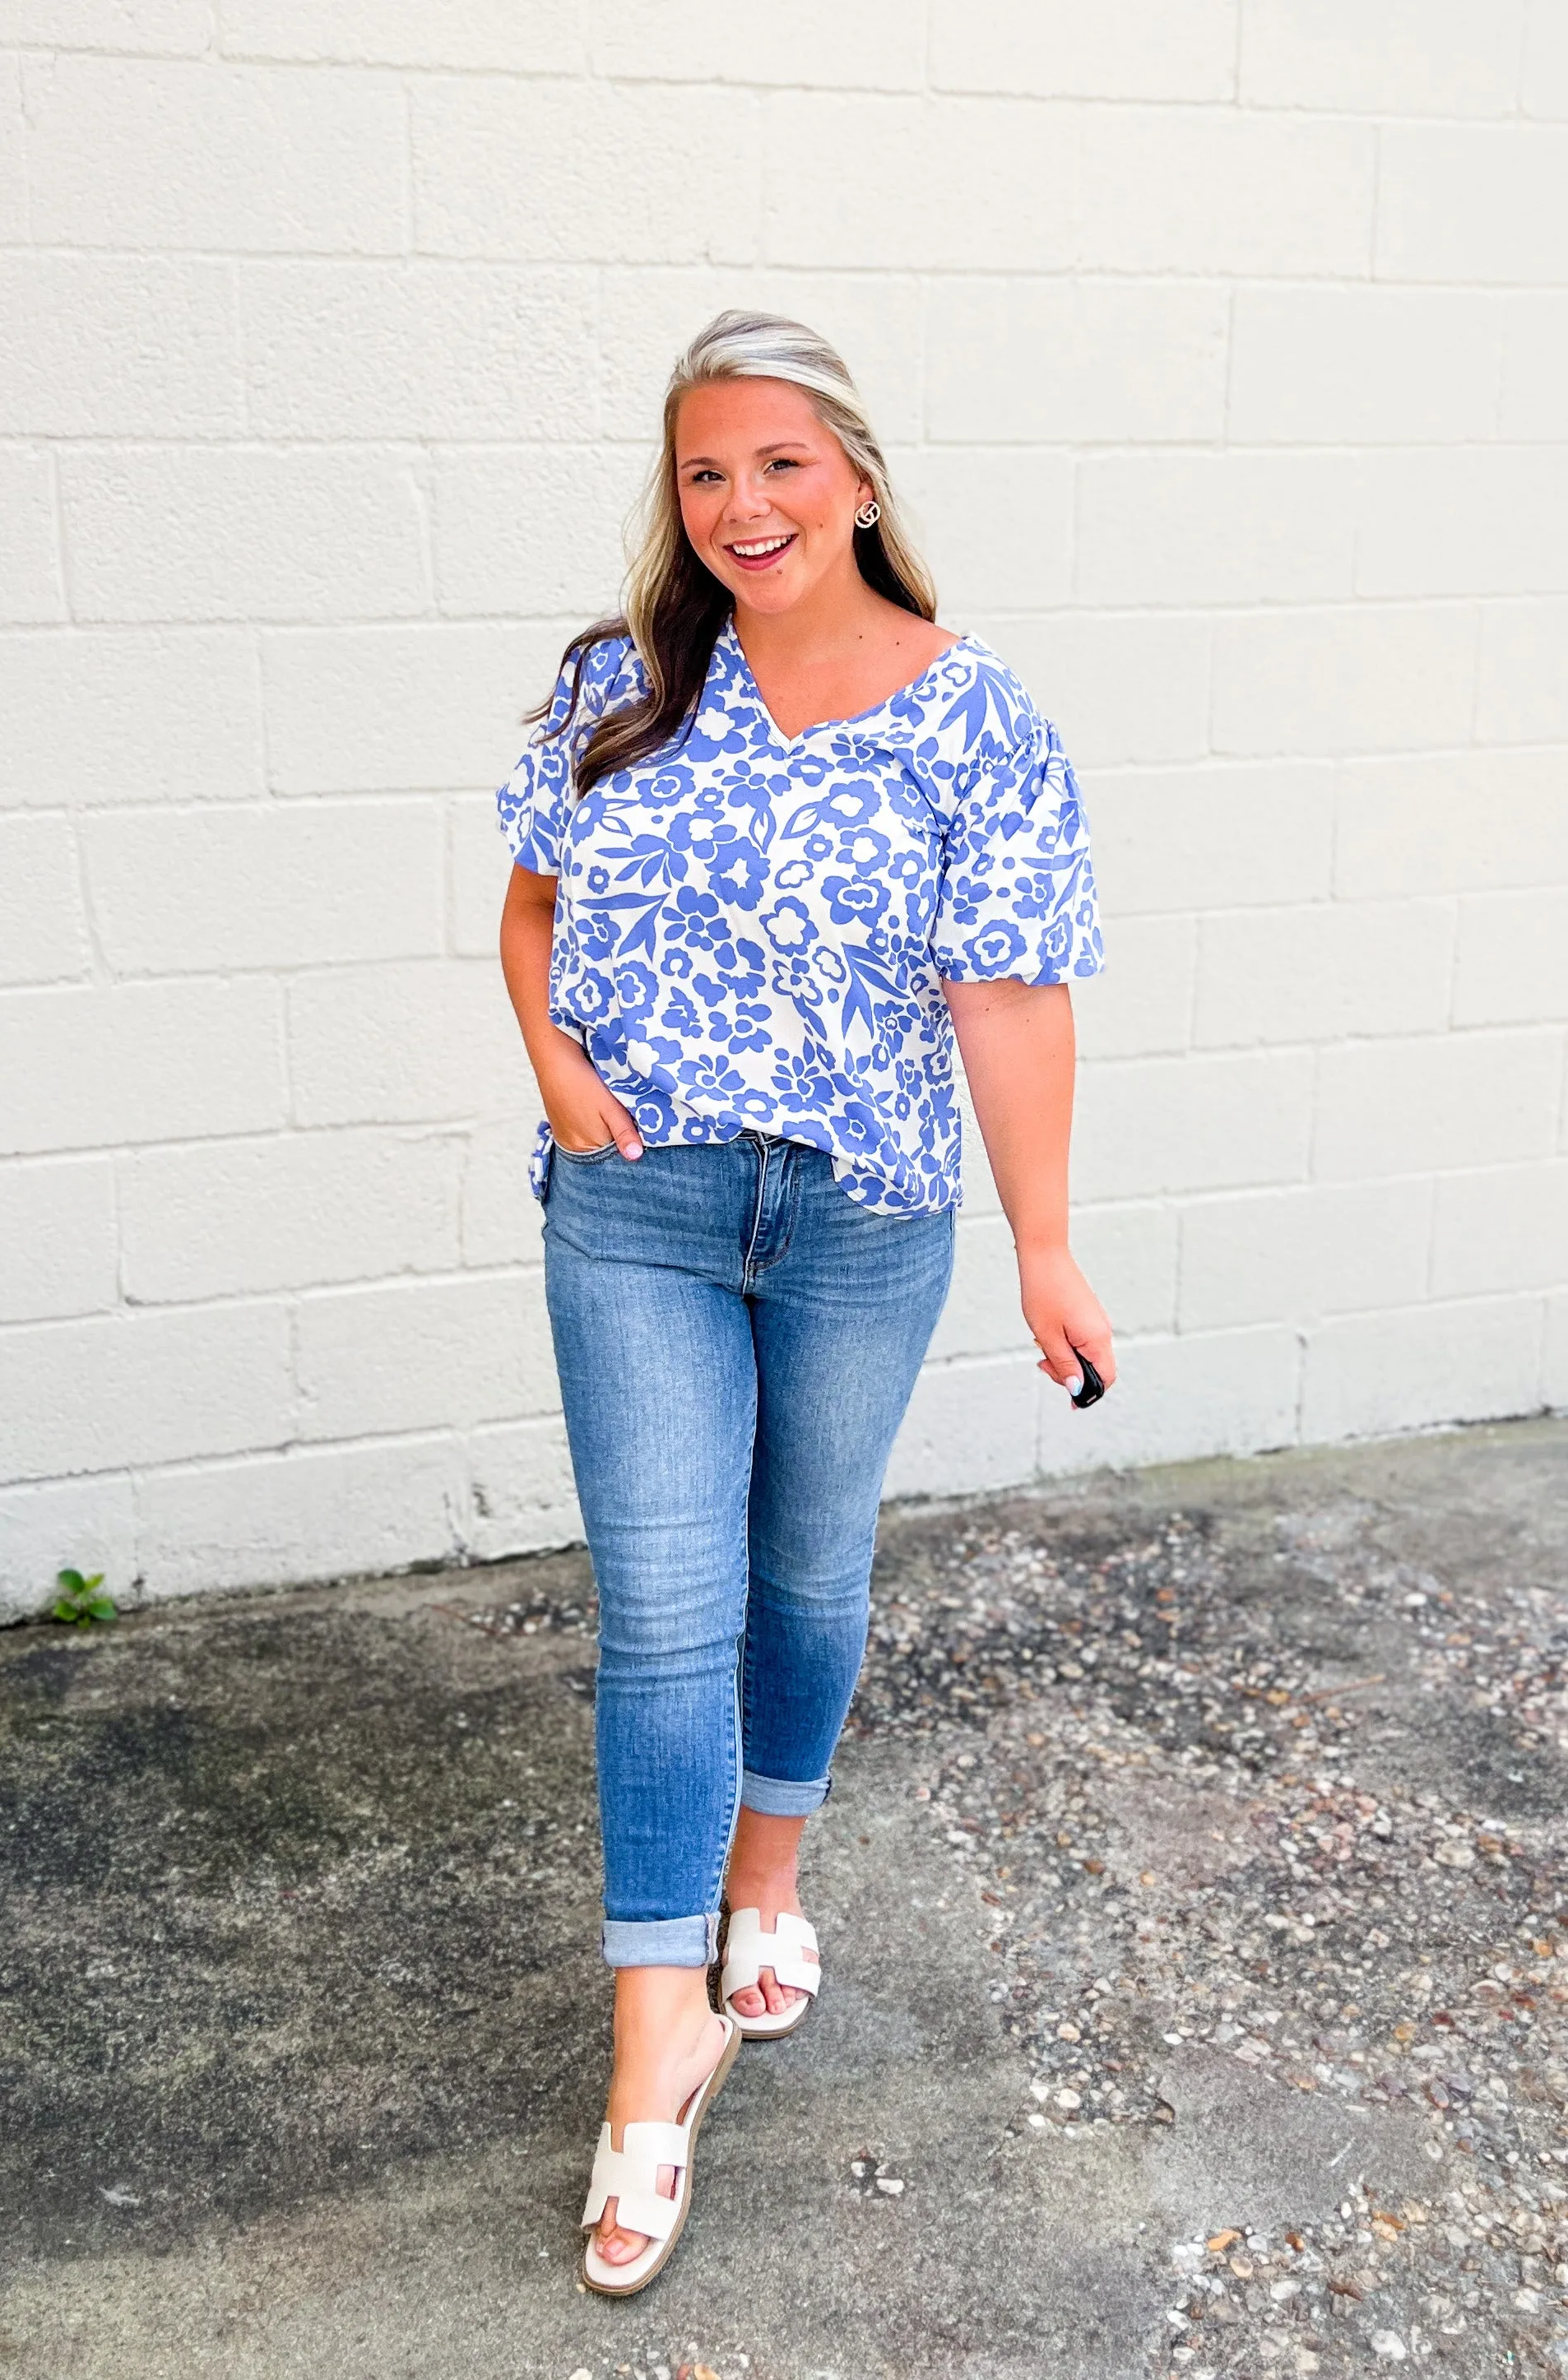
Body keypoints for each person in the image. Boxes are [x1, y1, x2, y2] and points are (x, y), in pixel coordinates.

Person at [496, 310, 1114, 2294]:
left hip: (859, 1215)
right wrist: (552, 1061)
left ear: (851, 471)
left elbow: (1008, 996)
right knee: (662, 1604)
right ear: (674, 499)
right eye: (703, 474)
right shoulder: (625, 677)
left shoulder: (974, 718)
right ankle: (651, 2043)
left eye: (776, 464)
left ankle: (769, 1879)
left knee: (806, 1570)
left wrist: (1043, 1242)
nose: (741, 506)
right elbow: (530, 891)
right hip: (638, 1206)